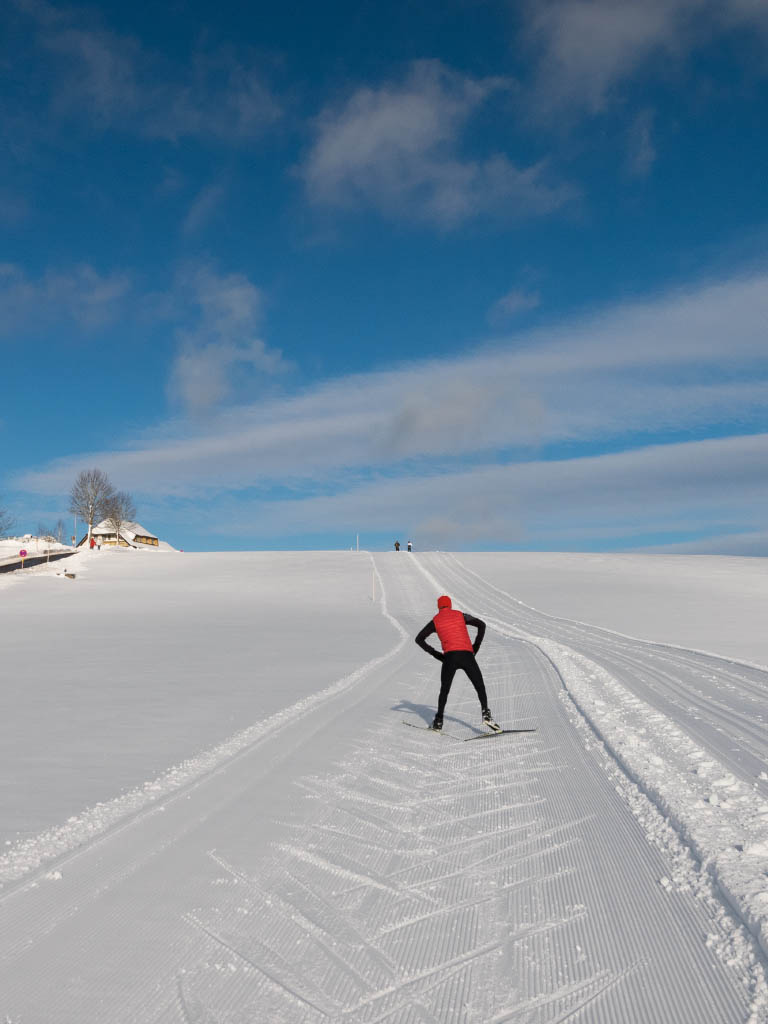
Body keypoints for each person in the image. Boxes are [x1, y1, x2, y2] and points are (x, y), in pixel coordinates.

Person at [415, 595, 501, 732]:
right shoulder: (460, 615)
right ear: (450, 605)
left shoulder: (435, 620)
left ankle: (438, 721)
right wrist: (476, 647)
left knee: (444, 690)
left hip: (450, 658)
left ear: (439, 607)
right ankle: (486, 714)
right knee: (479, 685)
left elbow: (419, 639)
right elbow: (481, 625)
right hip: (467, 656)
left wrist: (436, 654)